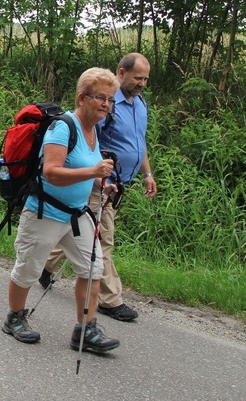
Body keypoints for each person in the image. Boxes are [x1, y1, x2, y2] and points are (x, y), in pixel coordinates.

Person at [2, 67, 121, 354]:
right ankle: (15, 318)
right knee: (28, 269)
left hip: (77, 214)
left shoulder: (92, 130)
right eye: (100, 98)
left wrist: (100, 183)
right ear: (82, 97)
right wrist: (93, 169)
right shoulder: (62, 127)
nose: (106, 104)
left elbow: (79, 168)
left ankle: (86, 330)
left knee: (93, 269)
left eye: (110, 99)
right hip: (46, 212)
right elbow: (52, 172)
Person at [40, 53, 158, 322]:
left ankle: (45, 264)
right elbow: (86, 134)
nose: (142, 83)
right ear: (121, 73)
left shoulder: (140, 104)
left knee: (79, 232)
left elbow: (139, 142)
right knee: (102, 239)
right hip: (99, 183)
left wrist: (147, 173)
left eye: (145, 79)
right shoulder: (108, 104)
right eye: (138, 78)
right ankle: (110, 300)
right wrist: (96, 175)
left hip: (120, 185)